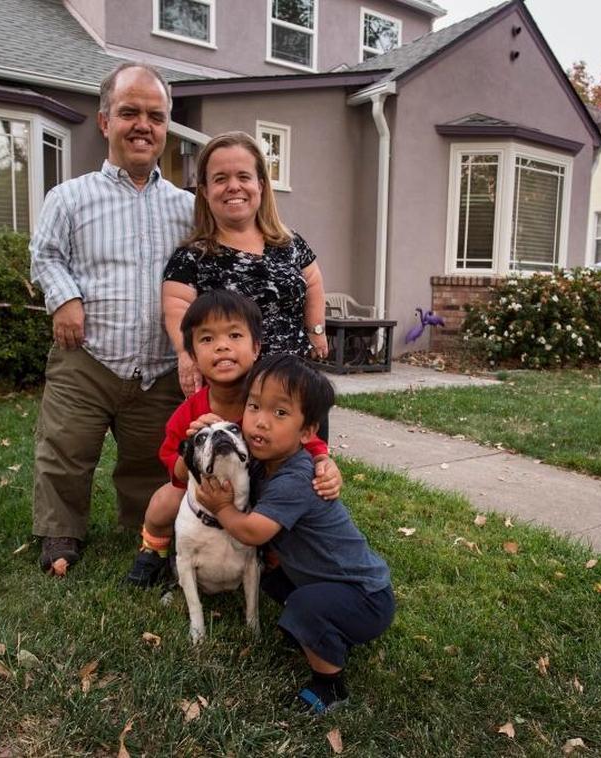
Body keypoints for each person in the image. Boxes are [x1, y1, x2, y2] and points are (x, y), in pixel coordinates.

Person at [29, 62, 193, 576]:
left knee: (152, 457)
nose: (143, 125)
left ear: (166, 127)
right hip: (87, 357)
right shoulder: (70, 198)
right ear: (105, 122)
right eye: (129, 113)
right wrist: (64, 298)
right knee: (66, 449)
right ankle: (60, 531)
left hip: (161, 364)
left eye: (155, 115)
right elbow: (45, 255)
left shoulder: (189, 208)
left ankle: (148, 530)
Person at [197, 354, 394, 715]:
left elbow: (254, 531)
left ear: (307, 432)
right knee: (273, 578)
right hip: (326, 582)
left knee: (305, 607)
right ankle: (323, 633)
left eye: (280, 413)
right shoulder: (261, 461)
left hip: (365, 596)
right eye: (254, 406)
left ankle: (330, 686)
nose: (261, 421)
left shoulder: (295, 478)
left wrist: (222, 509)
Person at [123, 289, 343, 587]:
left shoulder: (270, 398)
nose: (222, 347)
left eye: (235, 336)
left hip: (258, 487)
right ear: (193, 355)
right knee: (164, 500)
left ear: (256, 348)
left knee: (287, 500)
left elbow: (304, 439)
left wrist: (324, 462)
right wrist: (192, 450)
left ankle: (275, 558)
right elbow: (172, 465)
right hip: (208, 488)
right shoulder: (189, 412)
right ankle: (154, 551)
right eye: (207, 339)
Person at [162, 131, 329, 398]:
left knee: (307, 441)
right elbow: (176, 305)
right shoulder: (192, 256)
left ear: (260, 185)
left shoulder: (289, 242)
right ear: (204, 191)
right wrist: (186, 354)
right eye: (220, 179)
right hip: (231, 393)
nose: (233, 186)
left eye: (243, 176)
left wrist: (317, 330)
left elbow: (313, 282)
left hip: (295, 386)